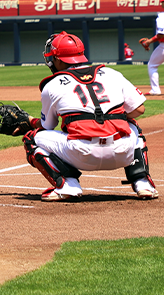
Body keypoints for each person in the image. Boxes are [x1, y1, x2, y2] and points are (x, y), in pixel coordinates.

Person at [20, 32, 157, 201]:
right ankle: (143, 184)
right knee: (133, 126)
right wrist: (114, 118)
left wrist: (30, 122)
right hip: (122, 152)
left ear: (60, 60)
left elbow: (47, 127)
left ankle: (67, 185)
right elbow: (139, 109)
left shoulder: (52, 85)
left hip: (83, 155)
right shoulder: (111, 73)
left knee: (32, 139)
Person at [139, 9, 164, 95]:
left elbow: (161, 34)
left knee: (152, 65)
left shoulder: (162, 16)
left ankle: (155, 90)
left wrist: (148, 42)